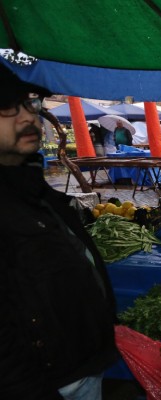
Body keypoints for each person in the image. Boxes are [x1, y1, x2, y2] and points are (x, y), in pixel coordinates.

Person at [0, 65, 118, 399]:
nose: (27, 117)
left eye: (29, 104)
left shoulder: (35, 191)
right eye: (6, 107)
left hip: (81, 371)